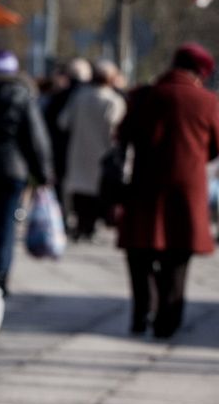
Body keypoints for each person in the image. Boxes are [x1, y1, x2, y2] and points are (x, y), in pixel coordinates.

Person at [115, 43, 219, 338]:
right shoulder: (207, 101)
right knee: (177, 258)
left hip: (144, 186)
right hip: (187, 190)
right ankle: (168, 319)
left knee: (140, 253)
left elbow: (123, 137)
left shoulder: (142, 96)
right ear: (200, 73)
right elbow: (215, 147)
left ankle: (140, 313)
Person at [0, 50, 54, 293]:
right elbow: (35, 137)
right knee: (5, 228)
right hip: (11, 171)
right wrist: (43, 173)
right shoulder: (21, 94)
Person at [60, 59, 125, 241]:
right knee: (97, 190)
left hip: (79, 150)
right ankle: (89, 226)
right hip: (103, 152)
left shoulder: (79, 96)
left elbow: (63, 122)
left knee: (81, 191)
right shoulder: (113, 101)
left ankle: (82, 224)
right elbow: (116, 130)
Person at [42, 57, 90, 223]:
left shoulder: (60, 96)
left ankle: (63, 217)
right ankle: (84, 222)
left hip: (61, 148)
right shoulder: (89, 95)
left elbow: (51, 122)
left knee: (61, 184)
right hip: (86, 149)